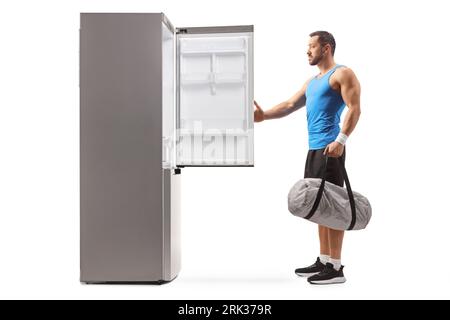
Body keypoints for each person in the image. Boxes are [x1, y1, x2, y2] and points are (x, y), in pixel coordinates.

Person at [254, 31, 361, 284]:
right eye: (307, 47)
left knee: (333, 207)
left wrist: (341, 141)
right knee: (319, 206)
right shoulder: (312, 82)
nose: (307, 51)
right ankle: (324, 259)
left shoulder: (342, 73)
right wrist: (264, 115)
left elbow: (355, 108)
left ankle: (336, 267)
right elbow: (290, 104)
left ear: (326, 48)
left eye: (311, 46)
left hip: (330, 150)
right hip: (313, 150)